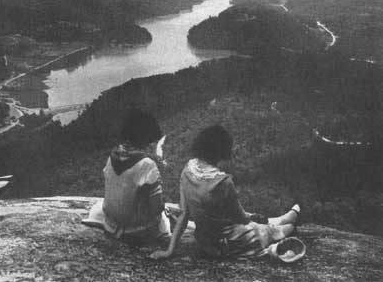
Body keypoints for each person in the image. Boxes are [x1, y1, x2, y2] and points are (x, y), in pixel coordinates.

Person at [151, 124, 300, 260]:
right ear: (222, 152)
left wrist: (169, 251)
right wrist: (251, 217)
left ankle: (280, 220)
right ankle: (283, 224)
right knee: (275, 230)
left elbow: (184, 214)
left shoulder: (187, 170)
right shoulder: (223, 182)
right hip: (232, 243)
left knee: (256, 224)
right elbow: (242, 219)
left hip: (206, 244)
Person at [83, 109, 171, 245]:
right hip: (136, 232)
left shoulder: (112, 156)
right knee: (164, 218)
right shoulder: (147, 164)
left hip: (111, 225)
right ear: (148, 138)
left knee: (98, 207)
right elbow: (156, 208)